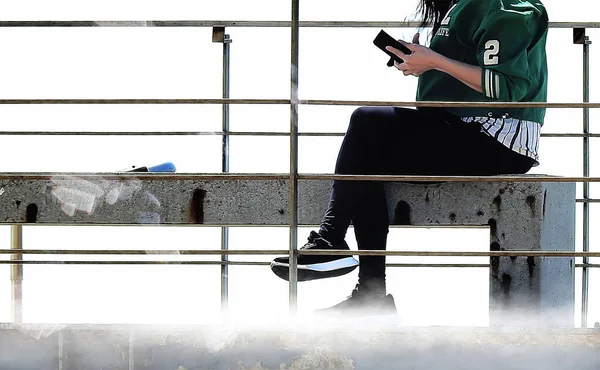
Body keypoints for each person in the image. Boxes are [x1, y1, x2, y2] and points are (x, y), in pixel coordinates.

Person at [271, 0, 549, 317]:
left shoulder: (508, 7)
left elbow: (508, 86)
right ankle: (371, 294)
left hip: (497, 138)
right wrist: (421, 61)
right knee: (366, 154)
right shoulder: (462, 5)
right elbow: (460, 71)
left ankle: (331, 240)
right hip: (462, 127)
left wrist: (434, 61)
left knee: (367, 122)